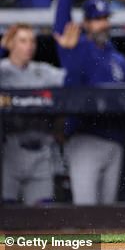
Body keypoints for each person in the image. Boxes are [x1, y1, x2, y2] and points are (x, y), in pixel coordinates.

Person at [53, 0, 125, 205]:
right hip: (84, 137)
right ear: (86, 23)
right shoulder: (77, 47)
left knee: (107, 217)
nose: (102, 24)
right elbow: (61, 25)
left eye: (105, 18)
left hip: (115, 142)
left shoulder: (118, 58)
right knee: (85, 213)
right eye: (96, 20)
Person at [0, 23, 65, 205]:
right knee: (7, 214)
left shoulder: (41, 70)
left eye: (32, 41)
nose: (29, 46)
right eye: (22, 41)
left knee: (43, 214)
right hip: (10, 150)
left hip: (41, 148)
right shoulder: (2, 70)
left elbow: (70, 80)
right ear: (10, 43)